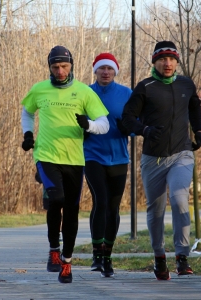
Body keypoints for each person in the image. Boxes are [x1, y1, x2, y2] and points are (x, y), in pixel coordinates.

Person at [20, 45, 109, 283]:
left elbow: (104, 124)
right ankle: (53, 248)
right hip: (46, 155)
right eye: (55, 67)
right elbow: (27, 112)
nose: (60, 71)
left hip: (74, 160)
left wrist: (88, 125)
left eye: (64, 66)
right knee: (56, 198)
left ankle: (66, 262)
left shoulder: (83, 92)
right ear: (49, 67)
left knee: (71, 210)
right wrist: (28, 134)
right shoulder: (39, 89)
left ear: (72, 66)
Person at [121, 41, 201, 280]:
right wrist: (143, 130)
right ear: (154, 62)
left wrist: (199, 132)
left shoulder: (186, 84)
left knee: (179, 199)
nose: (167, 63)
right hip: (152, 159)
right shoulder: (145, 87)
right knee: (156, 209)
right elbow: (127, 118)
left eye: (171, 59)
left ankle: (182, 256)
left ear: (177, 62)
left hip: (181, 154)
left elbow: (195, 109)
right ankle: (159, 257)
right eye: (162, 59)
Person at [84, 53, 132, 278]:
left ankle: (108, 256)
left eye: (109, 69)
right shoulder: (85, 93)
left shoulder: (126, 94)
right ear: (95, 71)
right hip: (92, 155)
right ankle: (96, 253)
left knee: (113, 207)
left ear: (115, 72)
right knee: (100, 201)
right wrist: (82, 129)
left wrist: (128, 128)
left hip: (119, 157)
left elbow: (136, 123)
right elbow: (74, 121)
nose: (105, 72)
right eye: (101, 68)